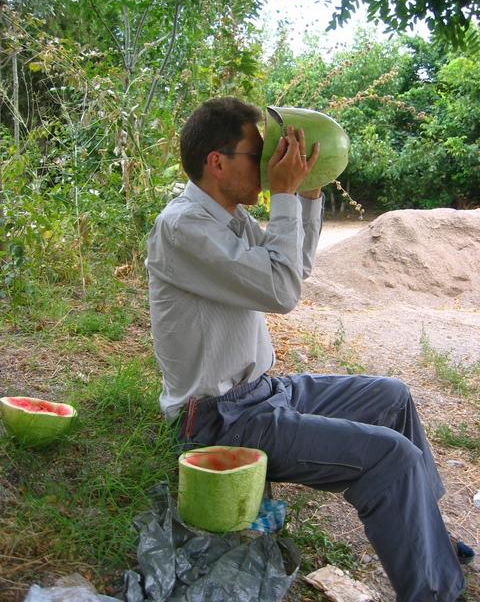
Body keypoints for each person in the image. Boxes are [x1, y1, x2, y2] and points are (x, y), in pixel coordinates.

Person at [146, 97, 472, 602]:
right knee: (392, 458)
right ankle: (436, 592)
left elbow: (294, 267)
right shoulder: (182, 228)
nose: (269, 163)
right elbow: (281, 293)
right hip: (217, 418)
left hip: (261, 393)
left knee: (392, 395)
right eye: (257, 155)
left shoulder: (228, 219)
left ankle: (426, 535)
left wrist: (309, 192)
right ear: (217, 162)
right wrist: (282, 196)